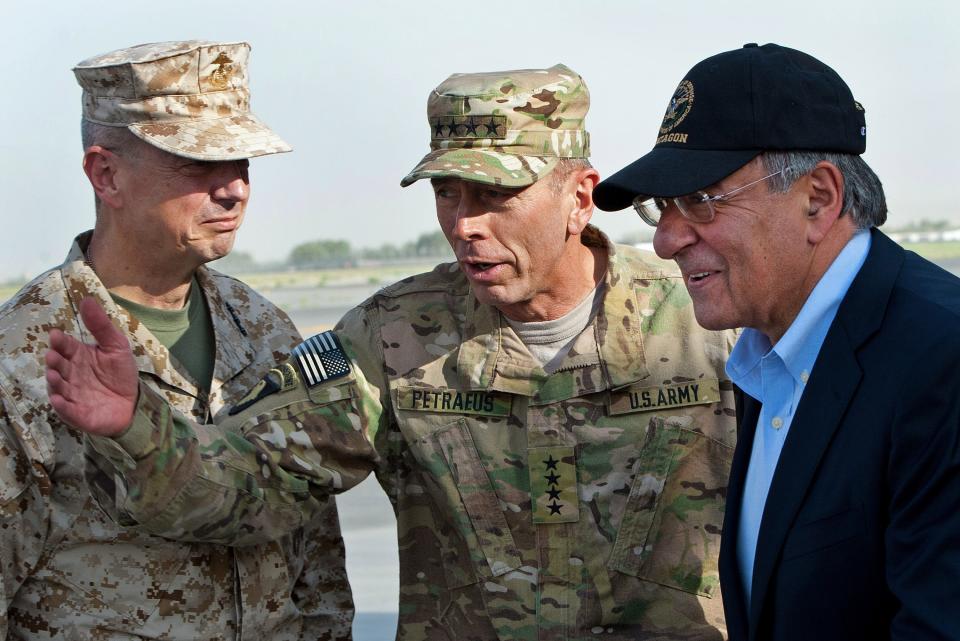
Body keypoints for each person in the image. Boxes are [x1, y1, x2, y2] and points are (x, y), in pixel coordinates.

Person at [48, 64, 739, 640]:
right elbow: (252, 479)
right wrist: (139, 426)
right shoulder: (395, 336)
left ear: (579, 197)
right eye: (448, 192)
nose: (465, 224)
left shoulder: (704, 321)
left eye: (497, 194)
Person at [591, 43, 960, 641]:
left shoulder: (941, 360)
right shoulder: (772, 354)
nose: (665, 240)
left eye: (701, 201)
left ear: (818, 199)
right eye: (662, 206)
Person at [0, 40, 353, 639]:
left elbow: (310, 551)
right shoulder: (26, 353)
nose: (234, 189)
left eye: (241, 161)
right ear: (105, 173)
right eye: (198, 164)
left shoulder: (260, 325)